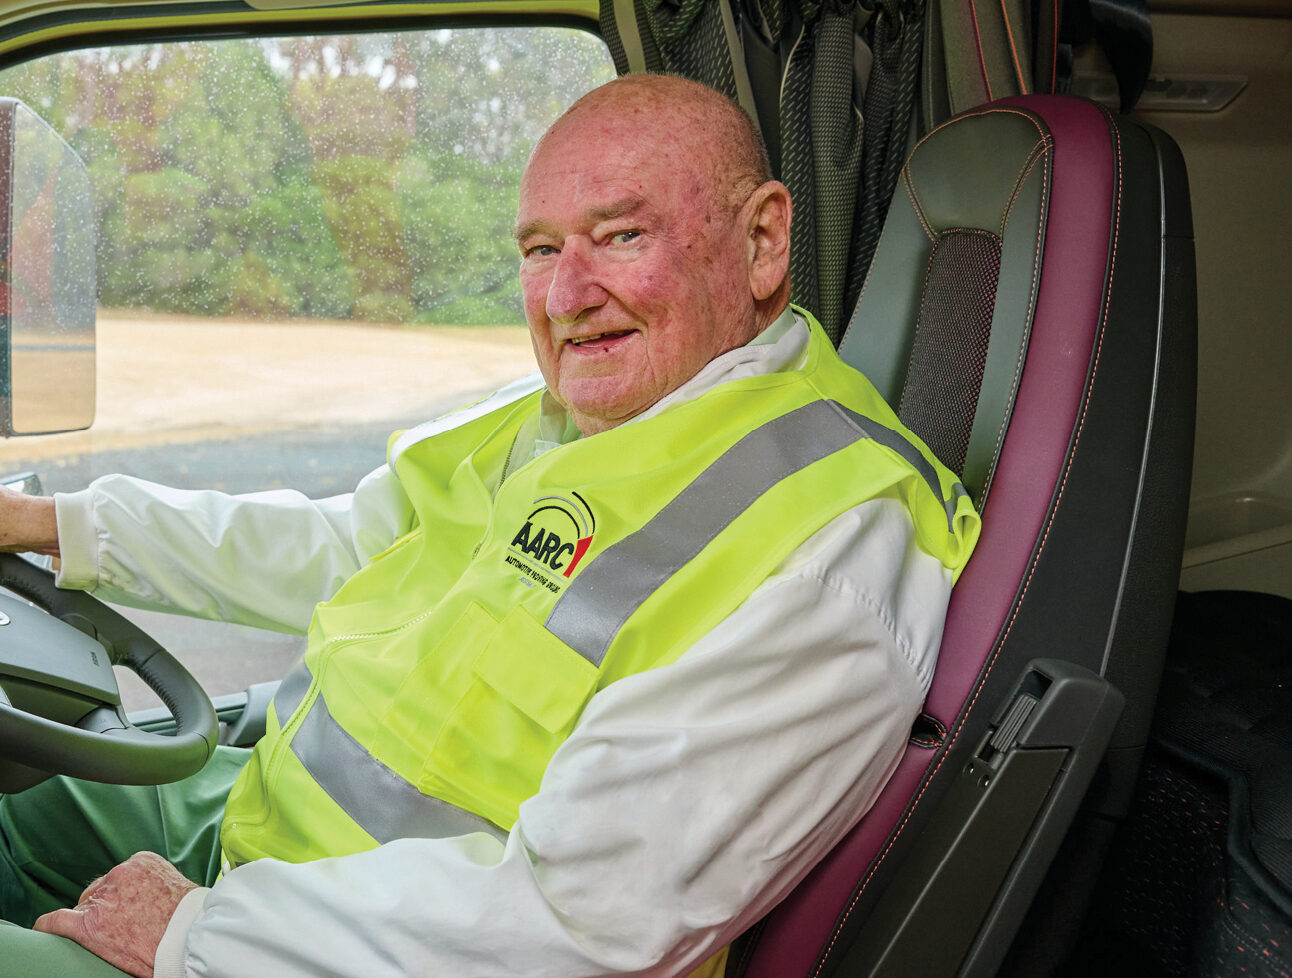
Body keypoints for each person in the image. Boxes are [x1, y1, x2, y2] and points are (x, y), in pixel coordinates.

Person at [0, 74, 978, 977]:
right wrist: (54, 523)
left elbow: (583, 917)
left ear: (762, 241)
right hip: (265, 835)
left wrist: (194, 935)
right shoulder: (570, 412)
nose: (565, 299)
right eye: (541, 250)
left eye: (620, 236)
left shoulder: (829, 546)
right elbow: (349, 547)